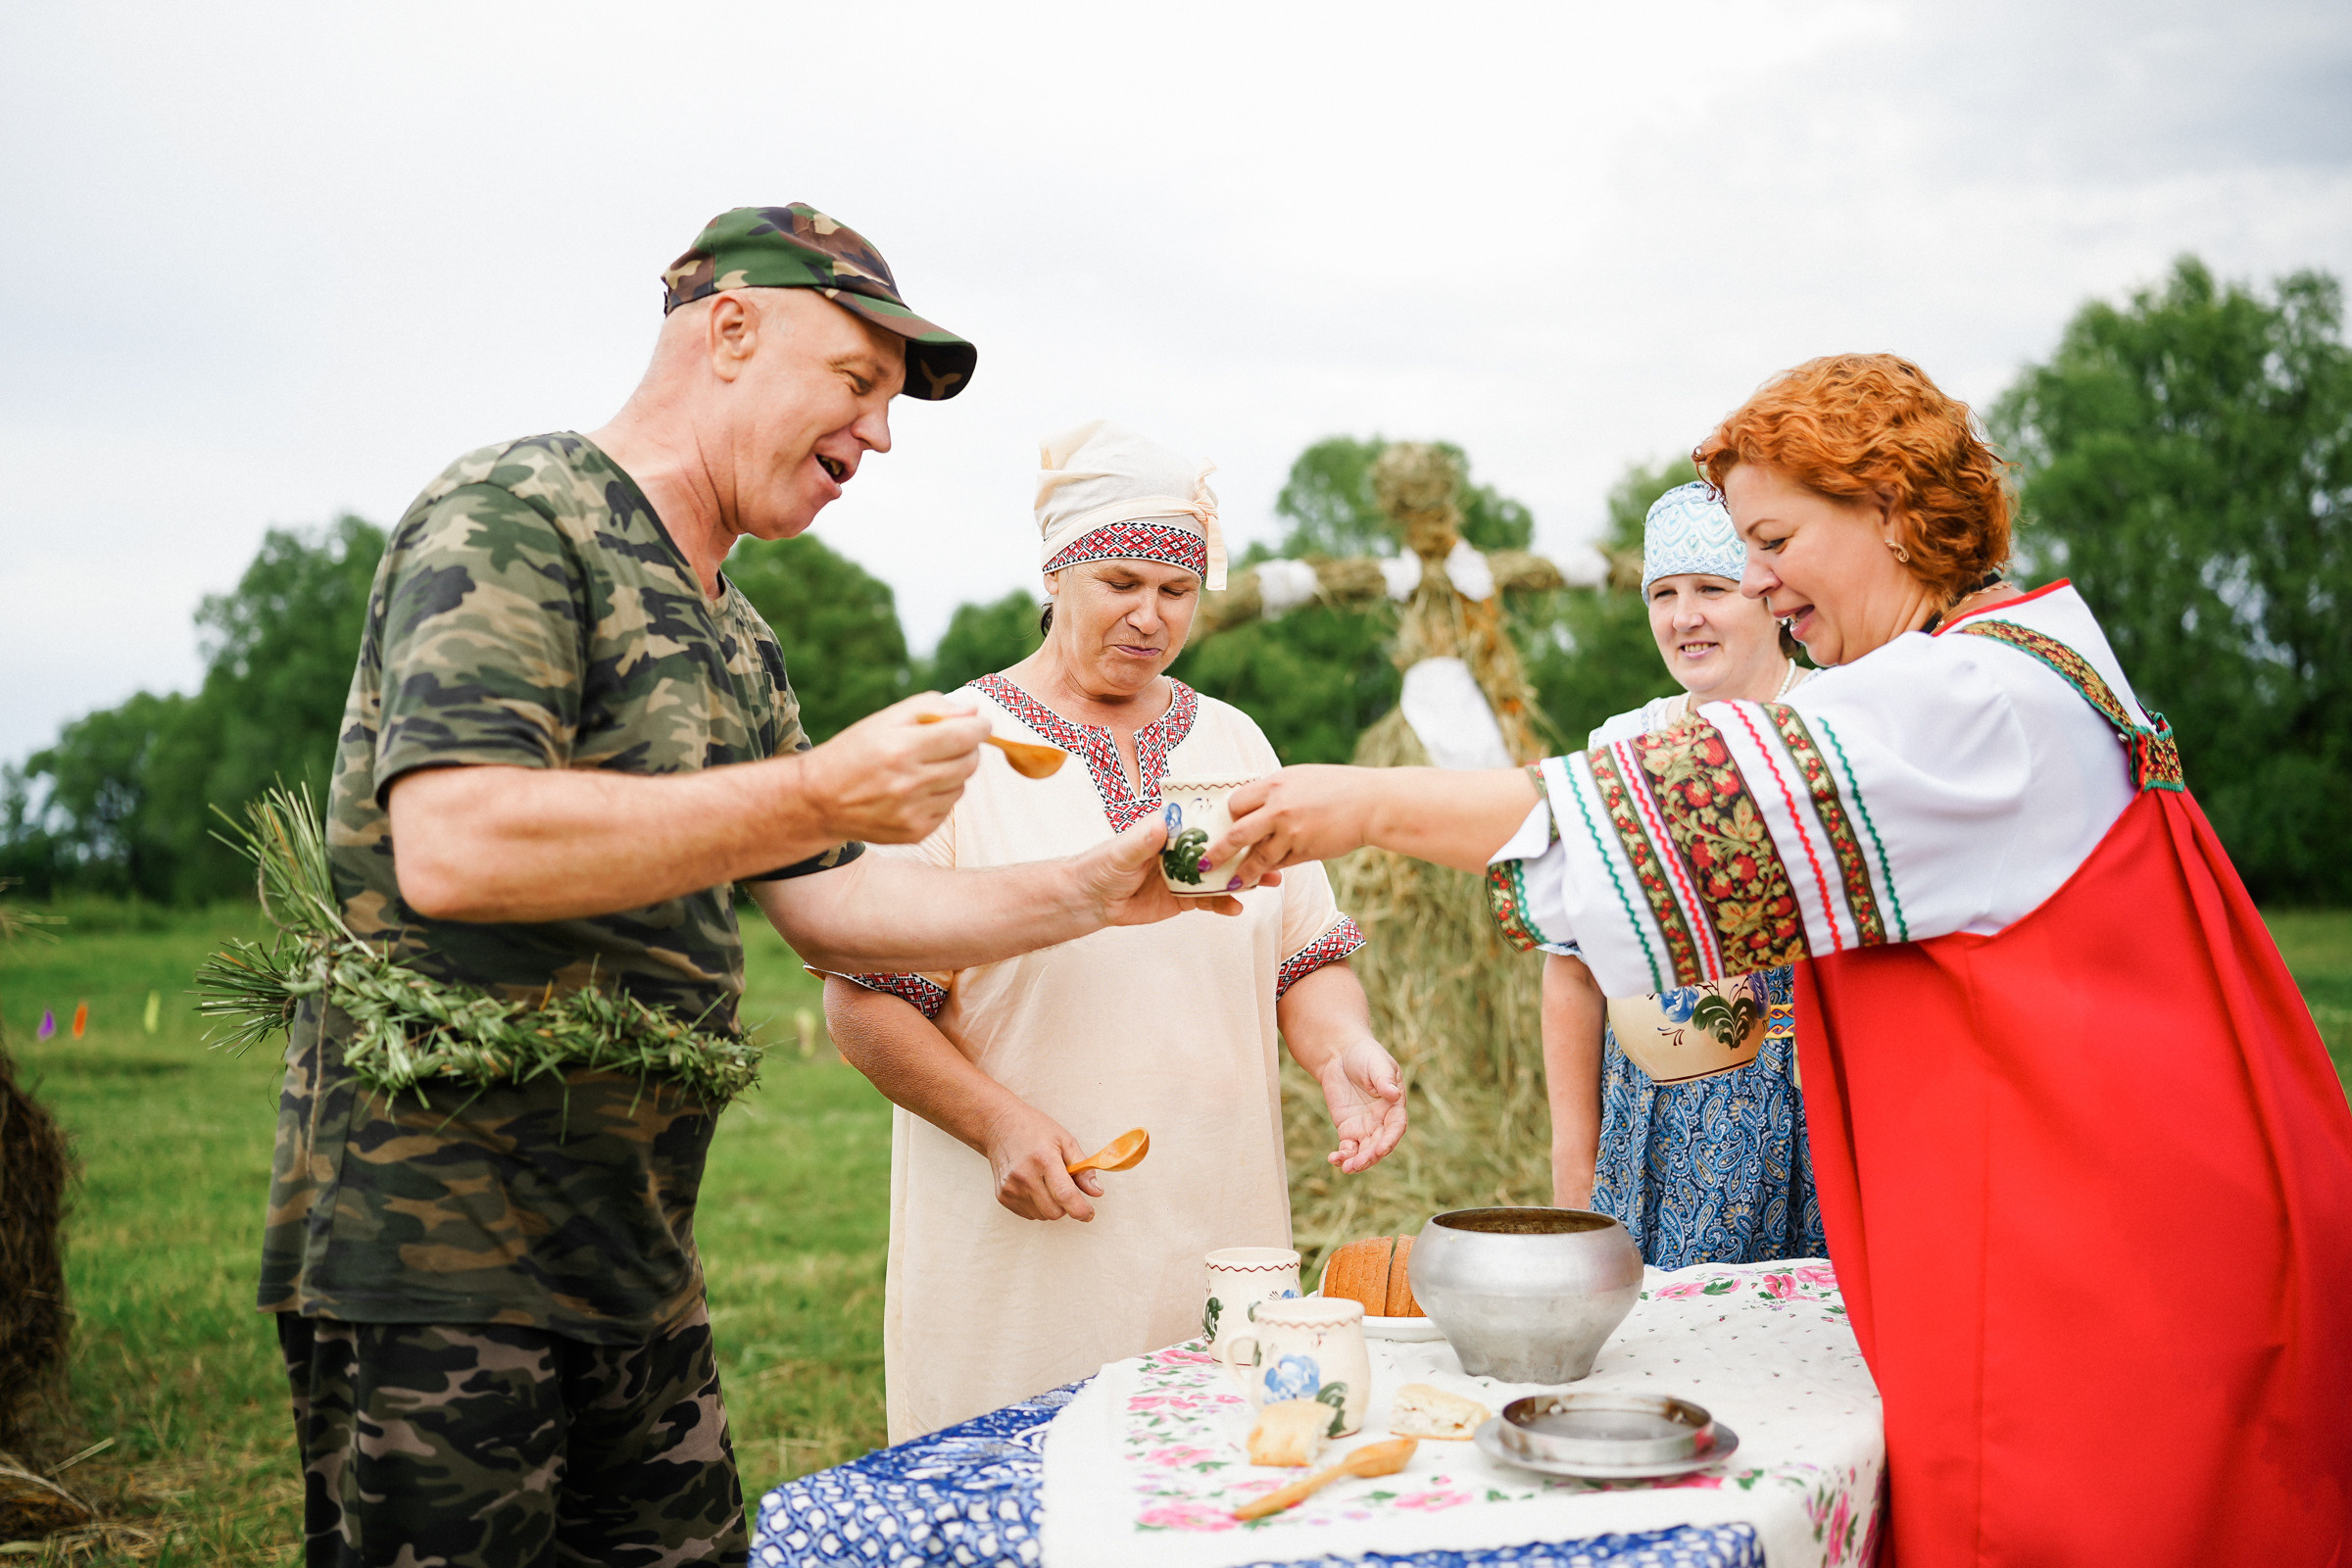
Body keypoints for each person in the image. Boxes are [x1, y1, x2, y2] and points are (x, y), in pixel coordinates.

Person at [1203, 355, 2352, 1564]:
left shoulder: (1958, 701)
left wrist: (1369, 803)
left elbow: (1651, 828)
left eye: (1769, 540)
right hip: (2154, 1226)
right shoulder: (2019, 652)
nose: (1753, 582)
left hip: (2112, 1272)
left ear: (1893, 509)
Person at [265, 209, 1232, 1568]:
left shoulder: (737, 631)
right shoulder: (519, 515)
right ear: (730, 330)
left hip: (635, 1238)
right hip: (436, 1243)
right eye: (856, 383)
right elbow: (458, 845)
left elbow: (834, 912)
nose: (878, 436)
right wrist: (819, 791)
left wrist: (1093, 889)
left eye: (888, 405)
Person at [824, 420, 1407, 1441]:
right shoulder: (952, 750)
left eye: (1175, 590)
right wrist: (996, 1124)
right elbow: (864, 1003)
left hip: (1220, 1231)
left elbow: (1304, 954)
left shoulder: (1233, 744)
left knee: (1210, 1492)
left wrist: (1342, 1045)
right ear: (1058, 572)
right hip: (1024, 1248)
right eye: (1121, 582)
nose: (1150, 615)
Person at [1544, 481, 1825, 1269]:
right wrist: (1577, 1169)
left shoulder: (1835, 723)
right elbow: (1571, 967)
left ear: (1768, 593)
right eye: (1663, 593)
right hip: (1652, 1129)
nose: (1683, 616)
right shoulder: (1621, 746)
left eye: (1711, 588)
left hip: (1816, 1122)